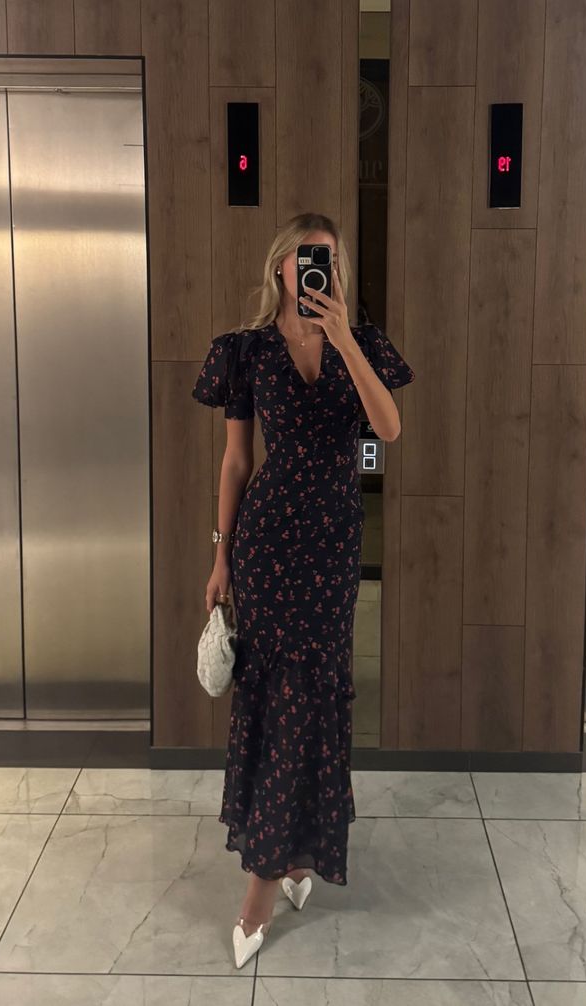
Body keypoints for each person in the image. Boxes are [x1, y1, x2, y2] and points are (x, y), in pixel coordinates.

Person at [191, 211, 415, 968]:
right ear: (280, 266)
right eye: (306, 257)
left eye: (329, 259)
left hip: (332, 547)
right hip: (267, 545)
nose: (318, 269)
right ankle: (266, 875)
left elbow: (389, 430)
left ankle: (292, 854)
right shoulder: (247, 350)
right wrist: (221, 556)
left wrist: (345, 339)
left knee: (315, 696)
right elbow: (235, 462)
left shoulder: (363, 344)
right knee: (275, 697)